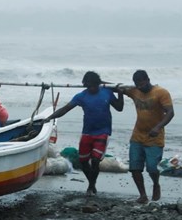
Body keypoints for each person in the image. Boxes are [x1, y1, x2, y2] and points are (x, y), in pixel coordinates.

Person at [43, 71, 124, 195]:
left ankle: (91, 186)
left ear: (98, 84)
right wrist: (50, 117)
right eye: (88, 86)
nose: (91, 88)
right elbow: (65, 109)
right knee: (83, 161)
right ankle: (92, 184)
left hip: (103, 131)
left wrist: (120, 94)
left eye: (93, 86)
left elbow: (119, 108)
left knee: (96, 161)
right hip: (87, 132)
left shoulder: (107, 92)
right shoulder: (81, 96)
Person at [120, 70, 174, 203]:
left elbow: (170, 112)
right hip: (137, 135)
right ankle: (143, 195)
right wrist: (118, 88)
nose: (140, 87)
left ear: (148, 80)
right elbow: (118, 88)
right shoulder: (134, 91)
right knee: (135, 167)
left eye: (142, 84)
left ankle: (156, 184)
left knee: (152, 167)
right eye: (137, 84)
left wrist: (158, 127)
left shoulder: (161, 92)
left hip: (155, 136)